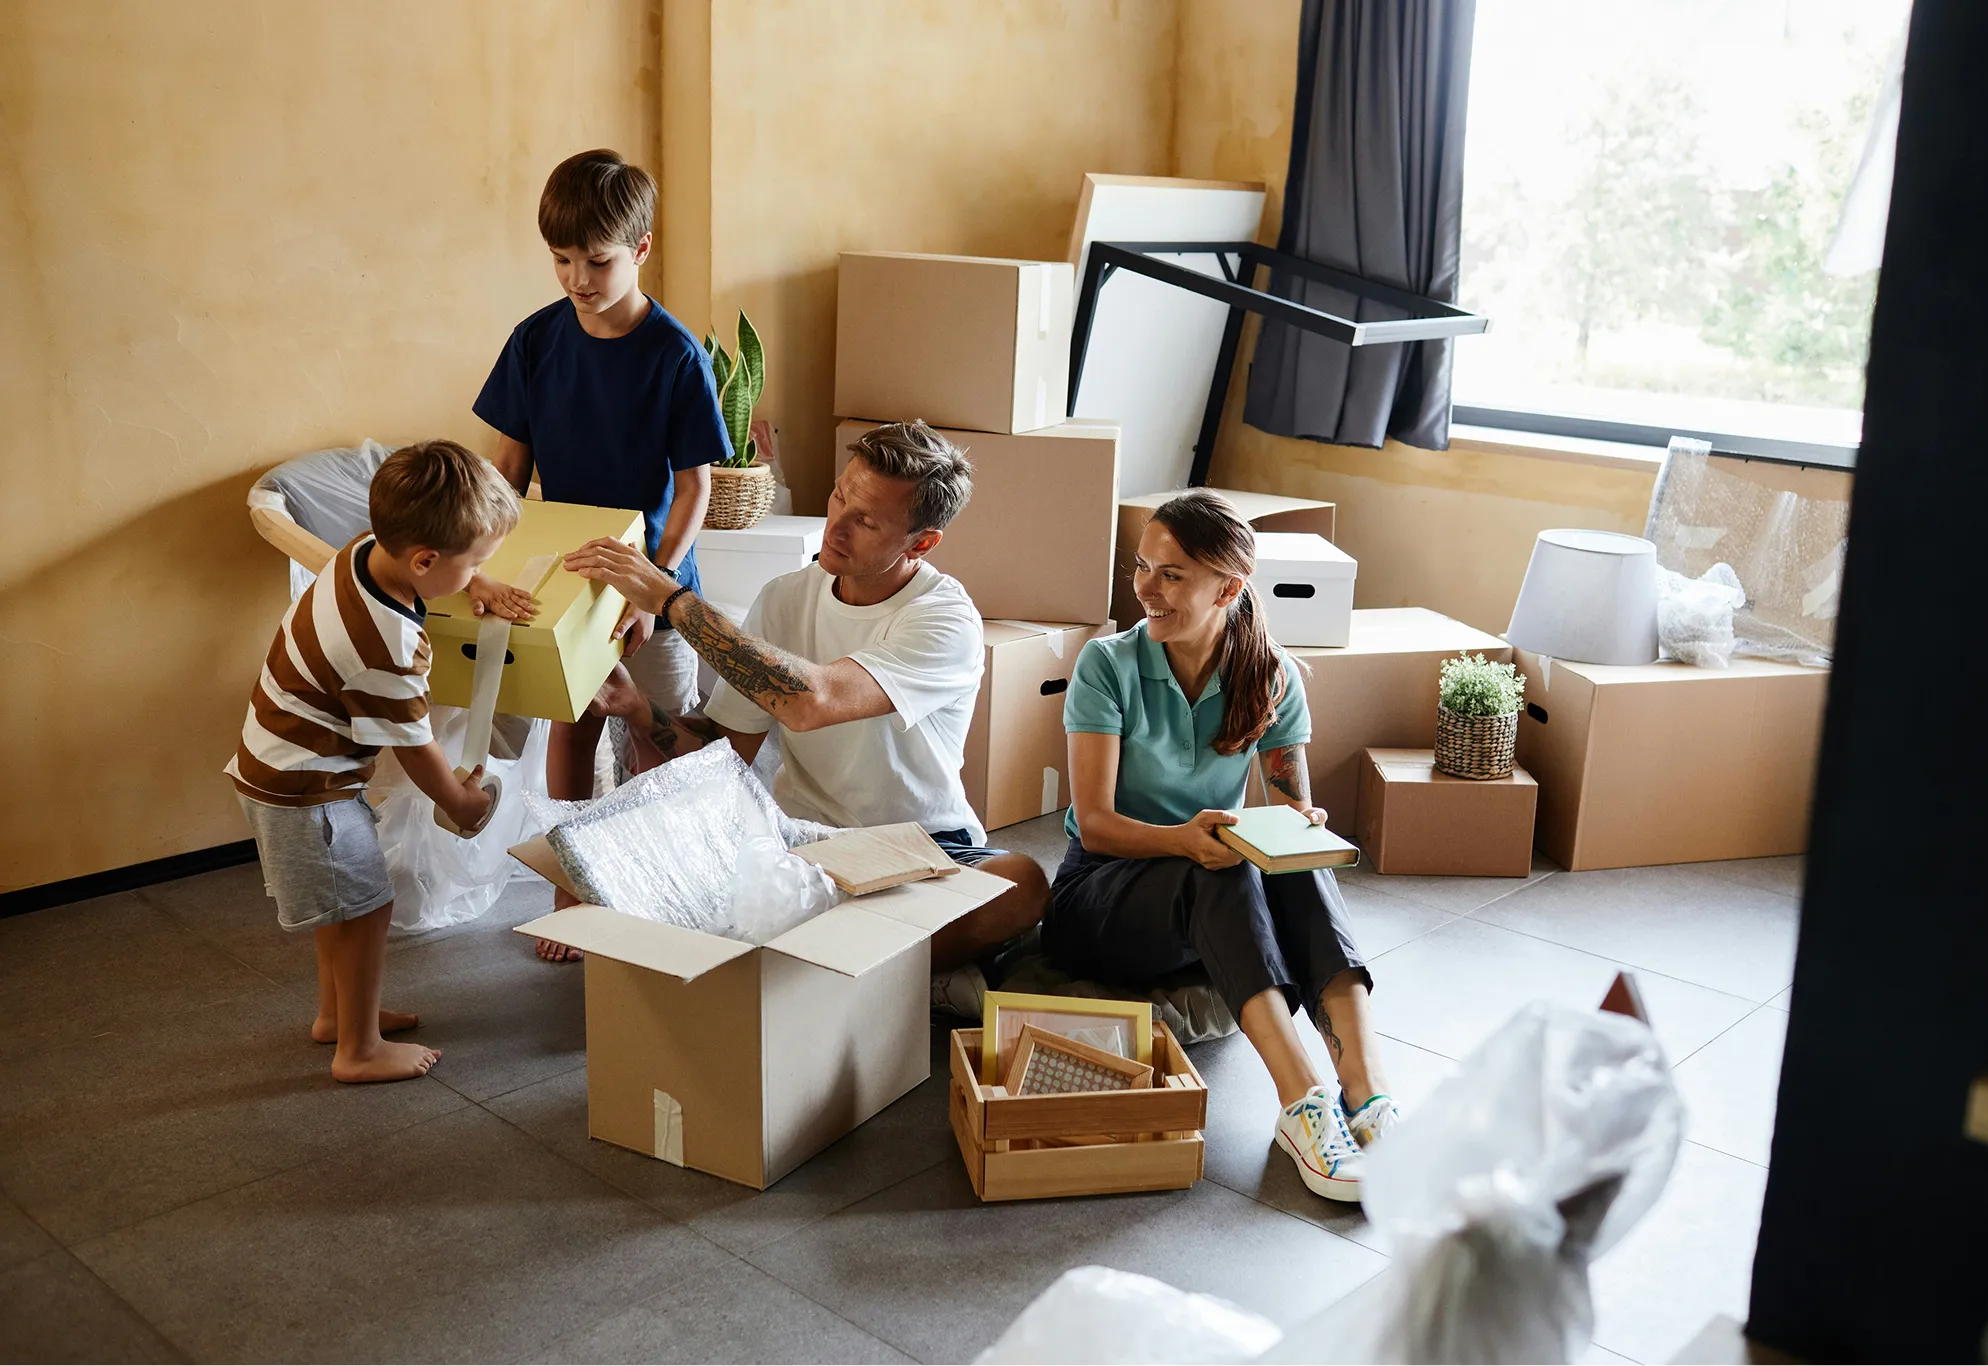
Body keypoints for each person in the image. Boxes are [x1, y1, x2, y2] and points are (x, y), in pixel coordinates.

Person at [563, 421, 1048, 1008]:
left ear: (921, 543)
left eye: (866, 520)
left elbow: (810, 702)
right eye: (841, 494)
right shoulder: (785, 596)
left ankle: (836, 974)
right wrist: (638, 709)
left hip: (924, 847)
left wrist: (669, 597)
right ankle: (892, 976)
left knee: (1022, 884)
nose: (836, 525)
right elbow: (722, 755)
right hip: (802, 848)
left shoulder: (944, 618)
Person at [1041, 490, 1400, 1203]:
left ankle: (1367, 1091)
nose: (1146, 587)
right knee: (1223, 861)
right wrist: (1184, 839)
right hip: (1101, 892)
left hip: (1201, 884)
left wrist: (1302, 823)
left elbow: (1291, 803)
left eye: (1172, 574)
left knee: (1283, 859)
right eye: (1142, 567)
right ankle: (1302, 1106)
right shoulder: (1106, 665)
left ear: (1229, 589)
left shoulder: (1271, 676)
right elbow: (1100, 821)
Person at [465, 148, 728, 958]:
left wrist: (652, 590)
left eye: (599, 260)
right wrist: (480, 567)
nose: (579, 277)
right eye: (563, 259)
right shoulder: (535, 341)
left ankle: (652, 886)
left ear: (641, 248)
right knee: (571, 730)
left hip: (653, 587)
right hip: (569, 582)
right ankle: (573, 889)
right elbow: (505, 472)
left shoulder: (675, 356)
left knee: (655, 734)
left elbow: (694, 490)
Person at [226, 441, 515, 1082]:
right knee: (364, 907)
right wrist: (461, 802)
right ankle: (356, 1050)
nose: (478, 577)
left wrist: (474, 576)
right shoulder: (385, 644)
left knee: (348, 903)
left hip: (280, 764)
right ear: (425, 559)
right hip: (309, 790)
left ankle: (338, 1015)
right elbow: (414, 746)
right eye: (476, 565)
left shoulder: (362, 550)